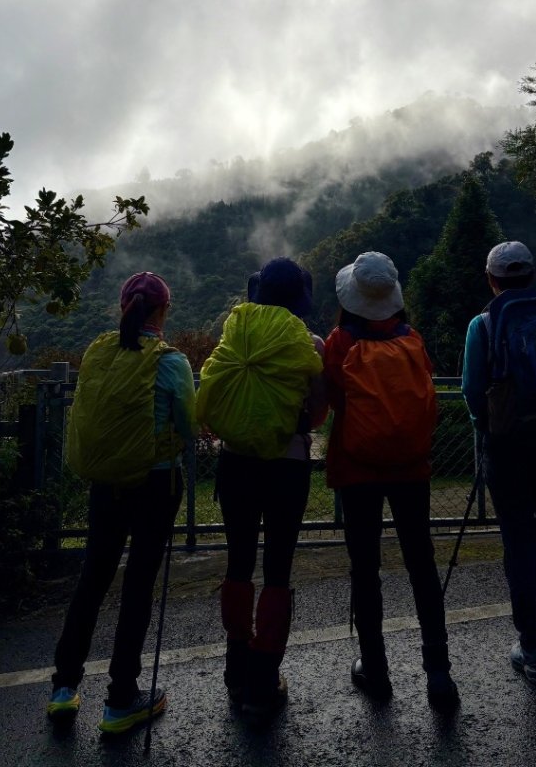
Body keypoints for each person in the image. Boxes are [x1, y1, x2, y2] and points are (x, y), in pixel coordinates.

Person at [47, 271, 196, 733]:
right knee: (137, 585)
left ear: (122, 307)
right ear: (163, 311)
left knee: (93, 578)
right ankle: (121, 699)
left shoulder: (98, 350)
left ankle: (63, 688)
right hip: (154, 486)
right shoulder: (171, 363)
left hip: (105, 483)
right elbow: (190, 428)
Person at [323, 251, 459, 710]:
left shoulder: (340, 342)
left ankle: (376, 671)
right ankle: (439, 675)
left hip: (357, 469)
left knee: (366, 570)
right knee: (421, 564)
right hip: (410, 469)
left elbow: (333, 404)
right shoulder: (413, 340)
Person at [198, 257, 325, 723]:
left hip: (235, 464)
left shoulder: (233, 337)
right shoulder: (309, 344)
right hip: (286, 467)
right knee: (277, 568)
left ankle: (235, 670)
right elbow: (316, 414)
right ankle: (263, 681)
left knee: (238, 560)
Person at [462, 241, 536, 685]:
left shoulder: (484, 323)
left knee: (518, 538)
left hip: (509, 445)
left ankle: (531, 648)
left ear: (492, 280)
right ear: (532, 276)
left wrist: (486, 426)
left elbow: (473, 389)